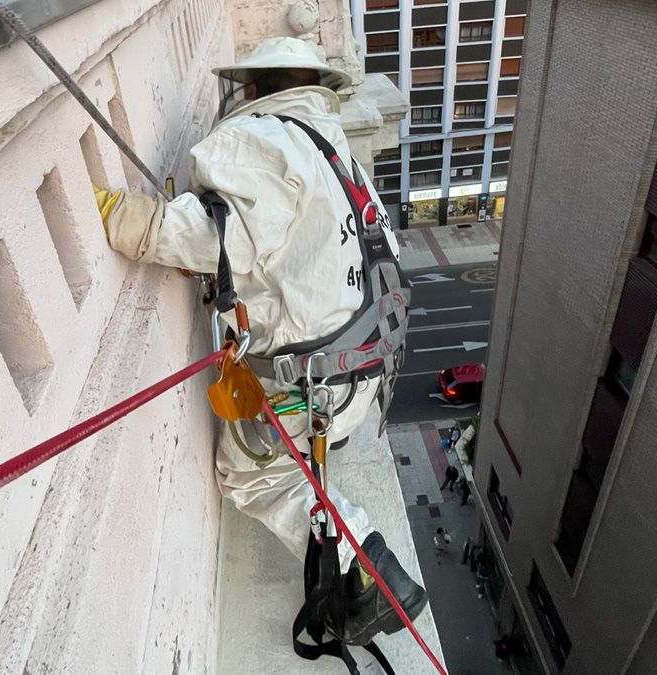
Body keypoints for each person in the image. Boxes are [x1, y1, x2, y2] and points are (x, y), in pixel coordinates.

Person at [94, 36, 426, 647]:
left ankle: (363, 562)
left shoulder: (265, 143)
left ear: (256, 88)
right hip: (365, 374)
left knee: (250, 478)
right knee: (291, 449)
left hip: (317, 385)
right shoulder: (335, 153)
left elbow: (211, 237)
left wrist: (123, 217)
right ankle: (343, 540)